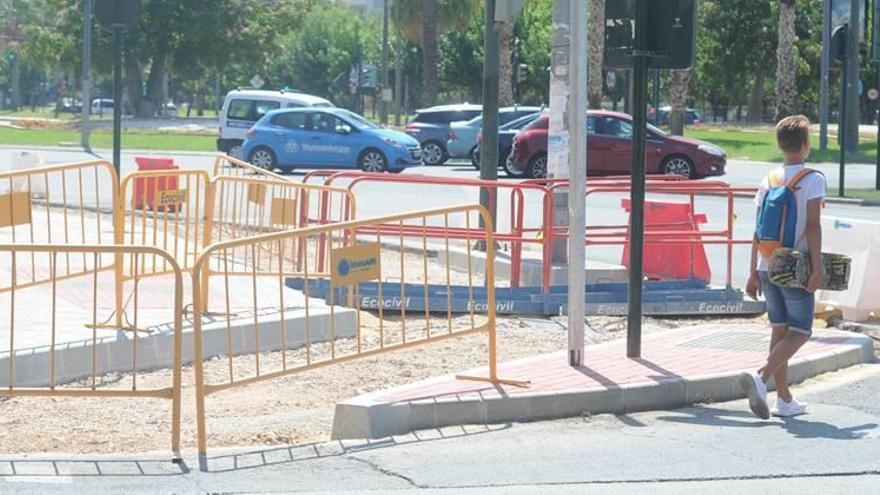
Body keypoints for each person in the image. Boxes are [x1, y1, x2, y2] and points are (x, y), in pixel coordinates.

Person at [739, 115, 826, 419]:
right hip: (793, 264)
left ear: (779, 144)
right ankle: (761, 377)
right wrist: (817, 268)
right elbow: (813, 227)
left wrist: (752, 273)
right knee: (801, 331)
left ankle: (784, 399)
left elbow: (757, 229)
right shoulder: (813, 178)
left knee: (780, 329)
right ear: (806, 144)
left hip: (766, 264)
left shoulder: (769, 179)